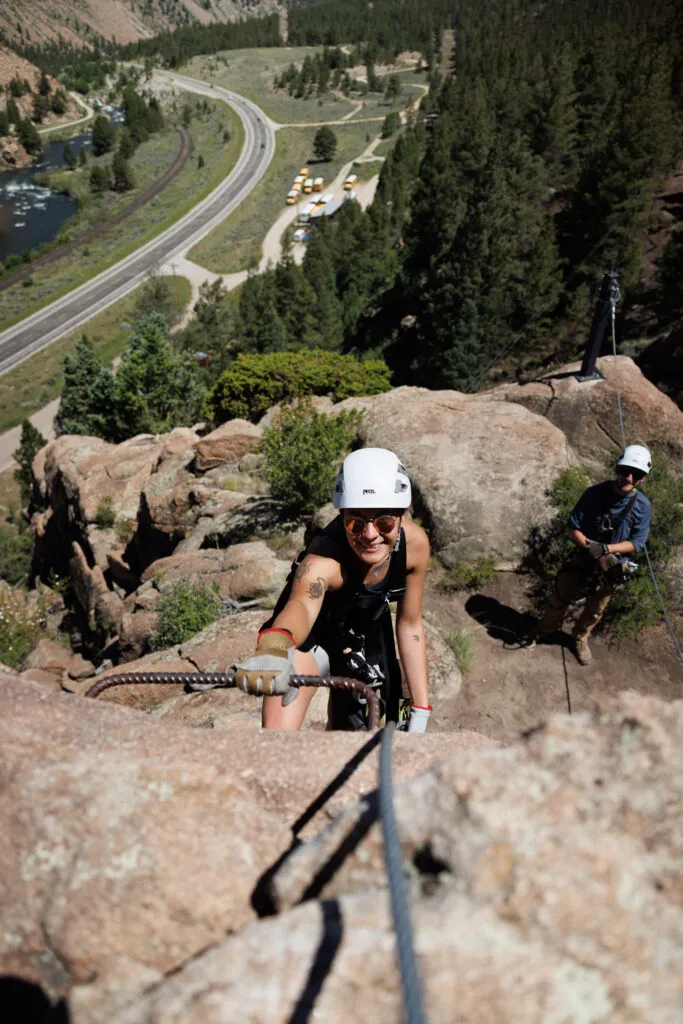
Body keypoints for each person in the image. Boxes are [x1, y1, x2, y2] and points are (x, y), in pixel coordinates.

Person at [232, 448, 432, 732]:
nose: (370, 534)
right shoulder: (323, 560)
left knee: (363, 730)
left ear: (402, 515)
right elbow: (301, 606)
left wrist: (421, 710)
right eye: (355, 523)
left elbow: (410, 623)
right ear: (341, 517)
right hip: (310, 639)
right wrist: (274, 647)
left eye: (384, 522)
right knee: (278, 737)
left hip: (364, 635)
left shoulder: (414, 546)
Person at [528, 444, 652, 664]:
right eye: (625, 471)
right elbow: (573, 526)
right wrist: (590, 548)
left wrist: (607, 550)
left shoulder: (642, 506)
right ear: (617, 470)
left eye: (637, 475)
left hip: (612, 563)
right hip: (584, 554)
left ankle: (580, 638)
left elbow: (637, 542)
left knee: (596, 608)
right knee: (561, 595)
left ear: (642, 479)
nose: (629, 478)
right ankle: (544, 630)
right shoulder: (594, 493)